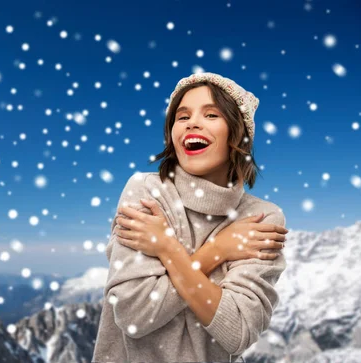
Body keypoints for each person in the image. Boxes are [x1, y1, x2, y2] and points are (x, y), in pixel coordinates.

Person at [92, 72, 289, 363]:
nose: (192, 122)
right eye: (181, 117)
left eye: (211, 114)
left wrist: (167, 249)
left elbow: (238, 331)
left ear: (239, 135)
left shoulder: (261, 218)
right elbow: (134, 314)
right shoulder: (146, 191)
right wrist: (217, 250)